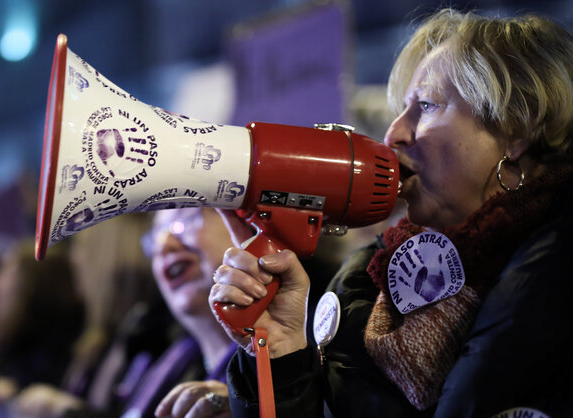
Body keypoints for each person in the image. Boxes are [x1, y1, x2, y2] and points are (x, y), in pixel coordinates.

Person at [209, 9, 573, 417]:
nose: (393, 133)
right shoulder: (364, 282)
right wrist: (282, 355)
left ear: (517, 127)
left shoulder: (557, 271)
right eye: (402, 108)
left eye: (428, 105)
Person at [15, 207, 239, 418]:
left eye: (186, 220)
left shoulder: (270, 359)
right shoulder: (173, 363)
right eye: (156, 235)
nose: (165, 245)